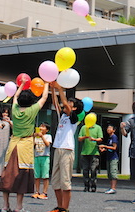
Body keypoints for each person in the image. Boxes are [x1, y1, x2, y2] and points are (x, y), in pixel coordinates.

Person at [0, 82, 50, 212]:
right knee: (21, 176)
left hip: (13, 144)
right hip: (25, 145)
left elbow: (15, 96)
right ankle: (19, 207)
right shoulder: (31, 111)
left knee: (8, 176)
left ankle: (5, 206)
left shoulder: (14, 109)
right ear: (31, 101)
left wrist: (21, 85)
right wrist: (47, 84)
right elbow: (44, 98)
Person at [48, 83, 83, 212]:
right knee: (56, 182)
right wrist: (52, 88)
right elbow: (56, 102)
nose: (66, 103)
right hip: (58, 148)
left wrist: (60, 89)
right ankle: (60, 206)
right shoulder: (63, 116)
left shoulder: (74, 117)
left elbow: (64, 104)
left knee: (65, 182)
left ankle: (65, 209)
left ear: (74, 108)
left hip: (67, 150)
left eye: (70, 102)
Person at [78, 120, 103, 192]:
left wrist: (94, 139)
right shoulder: (84, 127)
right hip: (84, 152)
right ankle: (86, 185)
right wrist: (85, 137)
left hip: (94, 152)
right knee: (85, 170)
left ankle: (93, 186)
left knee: (93, 170)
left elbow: (100, 138)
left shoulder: (98, 127)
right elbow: (79, 138)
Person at [32, 122, 52, 200]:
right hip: (37, 156)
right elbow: (33, 145)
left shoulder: (48, 136)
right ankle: (37, 192)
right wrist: (34, 137)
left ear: (46, 130)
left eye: (43, 127)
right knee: (36, 176)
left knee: (45, 176)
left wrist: (42, 137)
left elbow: (47, 144)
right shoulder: (37, 137)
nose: (41, 128)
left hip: (45, 157)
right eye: (40, 126)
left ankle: (44, 192)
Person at [98, 124, 119, 194]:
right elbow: (110, 148)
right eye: (108, 128)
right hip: (109, 157)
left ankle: (113, 188)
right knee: (109, 173)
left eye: (110, 128)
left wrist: (105, 146)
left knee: (113, 173)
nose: (108, 129)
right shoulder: (109, 138)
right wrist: (104, 149)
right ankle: (111, 187)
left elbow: (114, 147)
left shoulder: (114, 137)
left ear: (114, 130)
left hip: (113, 158)